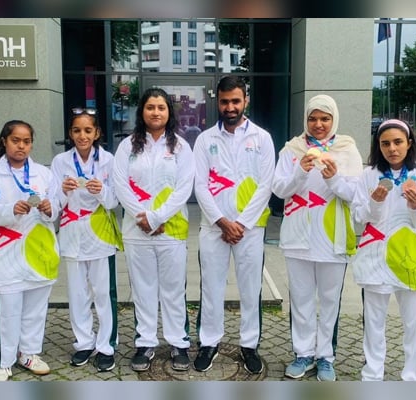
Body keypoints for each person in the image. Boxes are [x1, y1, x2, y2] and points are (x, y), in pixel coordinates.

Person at [272, 94, 363, 381]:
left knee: (329, 299)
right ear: (306, 121)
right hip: (298, 236)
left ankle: (325, 356)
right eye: (313, 118)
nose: (319, 124)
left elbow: (355, 194)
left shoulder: (347, 150)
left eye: (325, 118)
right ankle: (303, 353)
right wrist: (300, 171)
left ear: (334, 119)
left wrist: (334, 178)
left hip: (332, 237)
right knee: (301, 299)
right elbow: (279, 189)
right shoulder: (292, 150)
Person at [193, 76, 275, 374]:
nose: (230, 107)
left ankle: (249, 345)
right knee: (211, 287)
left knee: (250, 288)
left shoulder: (262, 138)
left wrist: (240, 223)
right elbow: (199, 185)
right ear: (218, 101)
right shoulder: (204, 139)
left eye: (235, 101)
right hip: (214, 227)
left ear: (245, 101)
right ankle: (209, 342)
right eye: (225, 101)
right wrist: (222, 221)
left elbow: (266, 184)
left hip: (249, 230)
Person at [351, 119, 416, 381]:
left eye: (398, 142)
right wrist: (374, 204)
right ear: (378, 146)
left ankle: (412, 377)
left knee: (413, 324)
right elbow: (359, 216)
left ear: (409, 143)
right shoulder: (369, 175)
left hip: (409, 256)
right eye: (385, 143)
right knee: (374, 322)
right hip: (376, 256)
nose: (392, 148)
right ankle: (372, 375)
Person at [112, 88, 195, 372]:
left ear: (169, 111)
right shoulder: (127, 146)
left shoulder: (182, 147)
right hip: (137, 232)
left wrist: (157, 217)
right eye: (150, 107)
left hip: (171, 231)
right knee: (143, 289)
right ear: (142, 111)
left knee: (173, 290)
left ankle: (179, 343)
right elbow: (120, 184)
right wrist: (142, 217)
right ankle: (145, 342)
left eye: (161, 107)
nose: (156, 112)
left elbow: (184, 188)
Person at [0, 120, 60, 381]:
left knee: (35, 307)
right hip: (5, 251)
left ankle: (30, 352)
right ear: (4, 141)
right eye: (16, 140)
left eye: (27, 141)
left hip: (39, 250)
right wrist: (10, 209)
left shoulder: (43, 174)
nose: (21, 146)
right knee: (8, 308)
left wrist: (49, 209)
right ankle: (4, 361)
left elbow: (57, 206)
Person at [51, 108, 122, 372]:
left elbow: (115, 200)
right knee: (77, 294)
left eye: (88, 130)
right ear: (70, 134)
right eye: (77, 130)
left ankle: (106, 345)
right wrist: (62, 190)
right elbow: (54, 204)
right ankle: (83, 343)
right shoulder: (60, 162)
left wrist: (101, 190)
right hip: (71, 233)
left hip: (99, 233)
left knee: (103, 293)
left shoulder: (108, 161)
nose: (82, 136)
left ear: (97, 133)